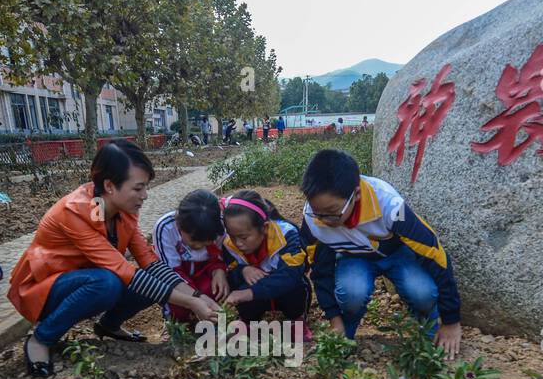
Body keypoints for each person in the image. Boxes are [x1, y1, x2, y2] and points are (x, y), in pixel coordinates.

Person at [7, 140, 220, 377]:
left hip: (86, 280)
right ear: (109, 185)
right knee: (108, 282)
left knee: (145, 282)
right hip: (43, 288)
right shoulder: (75, 212)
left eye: (146, 187)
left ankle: (109, 325)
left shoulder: (120, 211)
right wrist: (191, 303)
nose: (145, 196)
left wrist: (198, 296)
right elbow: (124, 271)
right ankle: (41, 339)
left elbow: (149, 261)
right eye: (138, 188)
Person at [301, 149, 463, 359]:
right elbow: (320, 271)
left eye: (333, 213)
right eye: (318, 212)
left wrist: (451, 320)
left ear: (356, 194)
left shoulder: (390, 206)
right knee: (352, 293)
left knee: (422, 292)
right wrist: (334, 319)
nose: (324, 220)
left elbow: (435, 255)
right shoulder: (314, 218)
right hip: (354, 256)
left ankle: (428, 326)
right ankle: (345, 332)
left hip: (395, 253)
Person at [219, 190, 312, 340]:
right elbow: (229, 270)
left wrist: (249, 293)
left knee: (297, 286)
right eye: (232, 236)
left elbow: (290, 274)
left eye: (243, 237)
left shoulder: (287, 236)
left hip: (286, 291)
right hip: (258, 291)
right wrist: (242, 270)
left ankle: (297, 319)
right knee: (239, 286)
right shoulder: (229, 244)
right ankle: (249, 321)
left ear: (265, 228)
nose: (238, 243)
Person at [153, 190, 229, 324]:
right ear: (179, 223)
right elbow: (170, 273)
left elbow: (221, 256)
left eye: (205, 241)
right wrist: (197, 297)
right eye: (193, 240)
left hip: (206, 272)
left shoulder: (221, 225)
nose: (198, 246)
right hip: (178, 278)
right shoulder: (165, 227)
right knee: (178, 304)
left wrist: (219, 271)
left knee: (218, 291)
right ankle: (173, 323)